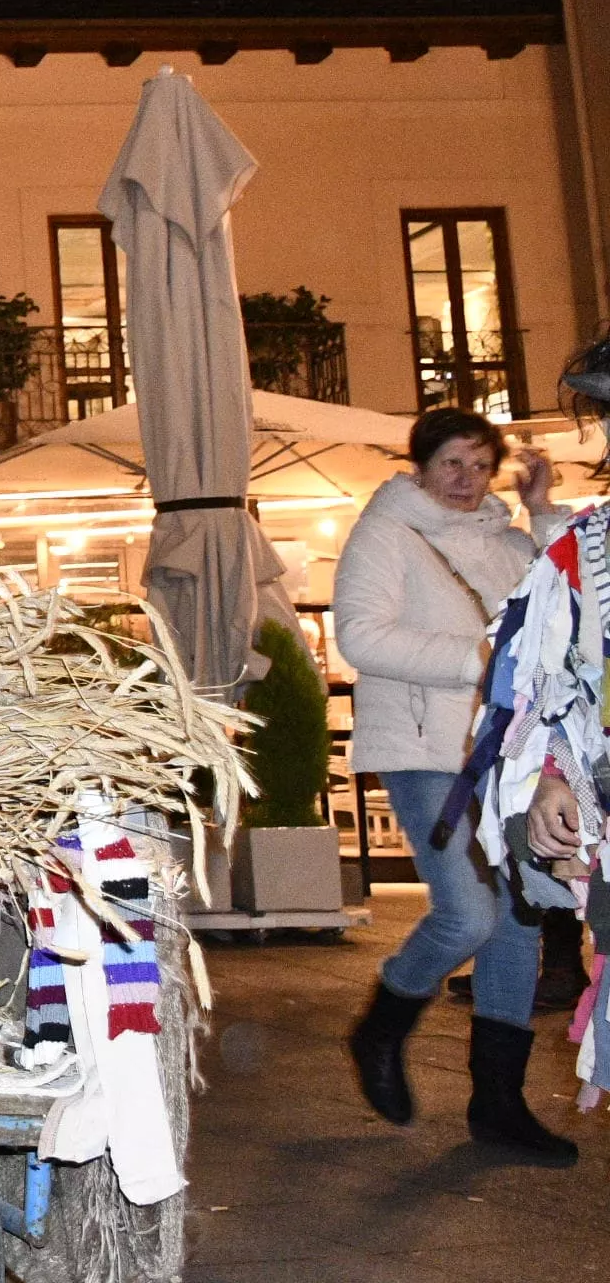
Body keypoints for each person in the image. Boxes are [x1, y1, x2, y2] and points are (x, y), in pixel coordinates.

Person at [338, 406, 572, 1163]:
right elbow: (360, 637)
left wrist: (540, 516)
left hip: (508, 756)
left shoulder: (507, 540)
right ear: (420, 465)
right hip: (421, 747)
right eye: (451, 464)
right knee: (468, 913)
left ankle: (499, 1103)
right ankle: (384, 1019)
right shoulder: (386, 532)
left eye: (479, 465)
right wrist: (481, 660)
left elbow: (560, 613)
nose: (466, 480)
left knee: (518, 923)